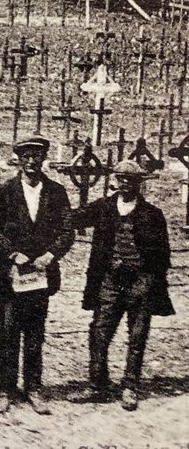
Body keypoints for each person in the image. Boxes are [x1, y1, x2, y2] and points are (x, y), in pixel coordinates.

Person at [68, 159, 174, 411]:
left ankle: (130, 386)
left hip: (140, 283)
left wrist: (148, 279)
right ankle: (98, 386)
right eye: (121, 179)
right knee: (99, 332)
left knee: (137, 336)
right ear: (115, 181)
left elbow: (163, 255)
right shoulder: (103, 207)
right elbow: (71, 219)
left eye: (131, 180)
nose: (125, 184)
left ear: (139, 184)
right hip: (109, 282)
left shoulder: (152, 214)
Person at [0, 135, 73, 415]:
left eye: (37, 156)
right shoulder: (4, 191)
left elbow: (67, 230)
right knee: (7, 333)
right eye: (26, 157)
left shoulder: (56, 192)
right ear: (18, 160)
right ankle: (4, 390)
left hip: (41, 276)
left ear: (44, 158)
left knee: (35, 334)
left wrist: (51, 254)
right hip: (10, 276)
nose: (31, 162)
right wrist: (11, 254)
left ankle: (33, 387)